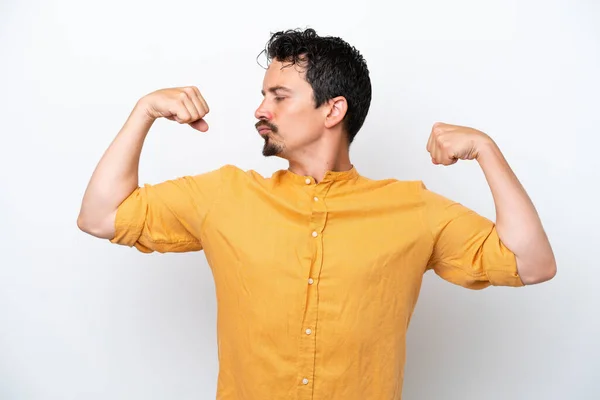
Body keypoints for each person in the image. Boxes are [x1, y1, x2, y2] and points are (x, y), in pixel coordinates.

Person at [77, 28, 556, 400]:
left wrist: (486, 150)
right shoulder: (223, 195)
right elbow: (100, 215)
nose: (260, 110)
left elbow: (531, 263)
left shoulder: (412, 208)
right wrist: (144, 112)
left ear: (333, 110)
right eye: (264, 95)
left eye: (279, 96)